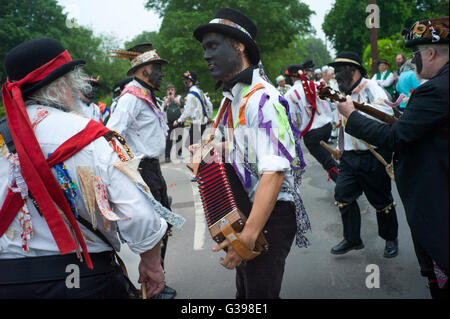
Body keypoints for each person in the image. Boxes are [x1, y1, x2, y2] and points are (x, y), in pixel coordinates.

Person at [0, 38, 168, 298]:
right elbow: (140, 217)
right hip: (84, 279)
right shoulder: (93, 138)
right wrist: (152, 264)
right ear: (65, 85)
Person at [193, 7, 311, 299]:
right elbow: (251, 147)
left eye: (213, 46)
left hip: (268, 215)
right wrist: (217, 148)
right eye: (204, 48)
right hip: (249, 208)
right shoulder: (236, 97)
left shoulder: (263, 98)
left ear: (239, 45)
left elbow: (273, 170)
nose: (206, 56)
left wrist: (247, 236)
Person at [337, 16, 449, 299]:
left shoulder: (434, 90)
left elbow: (395, 138)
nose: (415, 61)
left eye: (416, 54)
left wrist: (351, 115)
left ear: (431, 53)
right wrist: (404, 114)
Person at [106, 43, 177, 299]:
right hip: (142, 169)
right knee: (156, 227)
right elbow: (113, 134)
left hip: (153, 168)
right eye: (156, 68)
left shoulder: (144, 94)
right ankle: (154, 288)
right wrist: (129, 171)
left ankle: (155, 281)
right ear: (142, 69)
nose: (160, 73)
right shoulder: (130, 97)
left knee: (161, 226)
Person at [327, 51, 399, 258]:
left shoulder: (372, 87)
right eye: (335, 70)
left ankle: (390, 237)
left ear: (354, 70)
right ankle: (352, 239)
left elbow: (387, 116)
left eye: (340, 70)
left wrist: (355, 111)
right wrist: (340, 147)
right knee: (342, 195)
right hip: (349, 156)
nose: (336, 75)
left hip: (373, 154)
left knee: (381, 200)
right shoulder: (340, 93)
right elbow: (340, 124)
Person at [284, 64, 339, 182]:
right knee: (329, 159)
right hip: (327, 127)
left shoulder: (289, 94)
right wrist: (325, 114)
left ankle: (345, 191)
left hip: (312, 135)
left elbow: (294, 121)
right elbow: (333, 104)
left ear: (292, 78)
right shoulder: (317, 85)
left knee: (328, 163)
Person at [173, 70, 212, 147]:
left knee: (192, 146)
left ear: (191, 81)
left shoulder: (191, 95)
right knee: (197, 145)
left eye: (186, 80)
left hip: (196, 124)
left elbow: (187, 111)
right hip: (202, 123)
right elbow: (209, 105)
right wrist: (209, 117)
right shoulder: (200, 91)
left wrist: (178, 121)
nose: (185, 82)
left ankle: (203, 158)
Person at [162, 83, 184, 162]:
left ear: (174, 91)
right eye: (169, 90)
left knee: (179, 138)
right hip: (169, 122)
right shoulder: (165, 99)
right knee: (169, 139)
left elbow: (182, 105)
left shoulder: (179, 97)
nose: (170, 91)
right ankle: (167, 156)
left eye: (172, 90)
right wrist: (167, 100)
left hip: (179, 121)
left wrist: (174, 99)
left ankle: (179, 154)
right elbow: (162, 109)